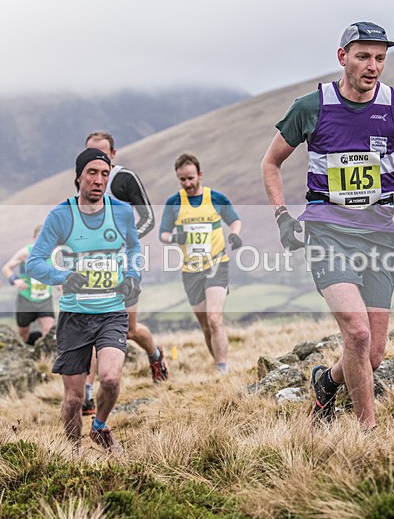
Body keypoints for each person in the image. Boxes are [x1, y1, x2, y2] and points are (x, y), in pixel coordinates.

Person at [261, 22, 394, 430]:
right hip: (327, 231)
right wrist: (282, 215)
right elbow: (271, 163)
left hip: (377, 235)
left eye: (380, 57)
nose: (373, 66)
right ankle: (368, 432)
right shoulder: (311, 107)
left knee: (372, 355)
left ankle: (327, 381)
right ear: (343, 57)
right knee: (356, 334)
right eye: (363, 56)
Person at [26, 147, 142, 451]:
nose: (99, 180)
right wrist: (63, 276)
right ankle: (73, 453)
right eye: (92, 173)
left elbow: (133, 249)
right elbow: (34, 262)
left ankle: (100, 426)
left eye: (105, 174)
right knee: (74, 399)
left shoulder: (121, 212)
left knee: (111, 379)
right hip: (74, 316)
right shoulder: (61, 216)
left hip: (112, 311)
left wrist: (132, 276)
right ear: (78, 177)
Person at [82, 132, 165, 418]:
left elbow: (148, 218)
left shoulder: (124, 179)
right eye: (91, 155)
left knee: (129, 330)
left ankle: (155, 356)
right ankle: (87, 394)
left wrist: (122, 240)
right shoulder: (83, 183)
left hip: (126, 266)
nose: (96, 161)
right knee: (91, 330)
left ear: (113, 154)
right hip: (94, 270)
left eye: (102, 155)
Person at [159, 153, 242, 373]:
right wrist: (176, 238)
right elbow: (163, 234)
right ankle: (218, 361)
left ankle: (222, 369)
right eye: (182, 180)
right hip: (191, 270)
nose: (187, 183)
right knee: (205, 324)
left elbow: (235, 220)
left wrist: (234, 235)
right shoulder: (174, 202)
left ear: (200, 174)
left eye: (190, 178)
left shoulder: (216, 198)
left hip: (217, 264)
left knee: (215, 319)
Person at [1, 225, 56, 344]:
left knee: (49, 332)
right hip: (26, 299)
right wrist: (15, 279)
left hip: (45, 299)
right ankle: (23, 357)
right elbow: (6, 268)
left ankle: (45, 359)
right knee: (23, 334)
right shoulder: (26, 252)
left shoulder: (53, 253)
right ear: (34, 239)